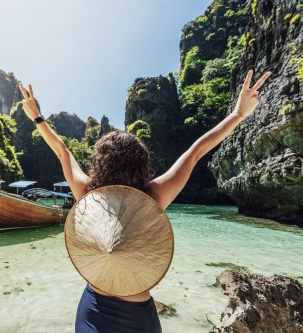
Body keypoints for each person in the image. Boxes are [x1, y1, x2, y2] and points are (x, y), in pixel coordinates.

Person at [19, 69, 271, 333]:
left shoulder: (88, 196)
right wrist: (238, 114)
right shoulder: (153, 198)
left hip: (93, 307)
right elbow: (196, 152)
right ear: (141, 165)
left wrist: (36, 117)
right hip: (137, 316)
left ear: (100, 163)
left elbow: (62, 151)